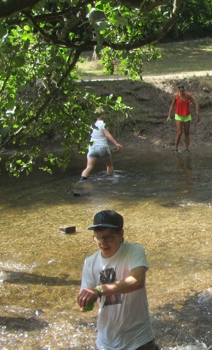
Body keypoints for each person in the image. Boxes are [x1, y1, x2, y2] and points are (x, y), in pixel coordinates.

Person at [77, 210, 158, 350]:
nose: (103, 243)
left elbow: (137, 281)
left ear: (121, 234)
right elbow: (89, 297)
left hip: (138, 340)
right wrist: (85, 300)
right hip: (105, 342)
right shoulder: (90, 262)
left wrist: (98, 290)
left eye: (109, 237)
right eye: (99, 237)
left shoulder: (133, 251)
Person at [80, 114, 124, 182]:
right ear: (103, 115)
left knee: (88, 167)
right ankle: (109, 181)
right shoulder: (103, 123)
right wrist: (116, 143)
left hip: (92, 147)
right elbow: (107, 134)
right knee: (109, 165)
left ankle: (81, 182)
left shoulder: (91, 124)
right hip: (102, 147)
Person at [167, 85, 200, 152]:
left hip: (187, 116)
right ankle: (175, 149)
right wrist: (169, 116)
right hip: (178, 115)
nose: (181, 93)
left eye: (183, 91)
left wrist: (197, 114)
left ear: (185, 90)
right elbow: (172, 105)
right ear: (178, 91)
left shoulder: (188, 96)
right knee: (179, 132)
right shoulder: (176, 95)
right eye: (180, 91)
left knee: (187, 132)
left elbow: (195, 104)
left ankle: (187, 148)